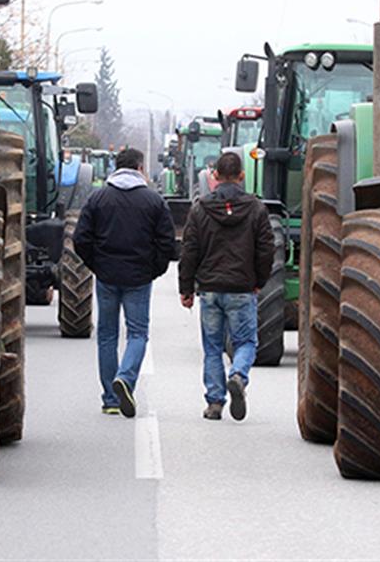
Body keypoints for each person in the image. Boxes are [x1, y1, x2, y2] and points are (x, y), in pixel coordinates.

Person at [73, 148, 177, 418]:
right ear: (140, 168)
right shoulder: (153, 201)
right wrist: (154, 269)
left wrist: (97, 265)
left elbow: (81, 239)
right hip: (139, 277)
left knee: (106, 336)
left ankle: (110, 398)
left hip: (106, 276)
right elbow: (166, 242)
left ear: (116, 167)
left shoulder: (98, 199)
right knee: (138, 334)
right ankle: (126, 379)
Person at [178, 151, 274, 421]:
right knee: (245, 342)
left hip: (209, 289)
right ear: (242, 176)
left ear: (215, 176)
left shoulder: (200, 209)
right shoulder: (256, 209)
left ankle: (214, 404)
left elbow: (189, 251)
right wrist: (259, 281)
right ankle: (239, 375)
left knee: (212, 347)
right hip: (242, 288)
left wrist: (186, 288)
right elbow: (266, 250)